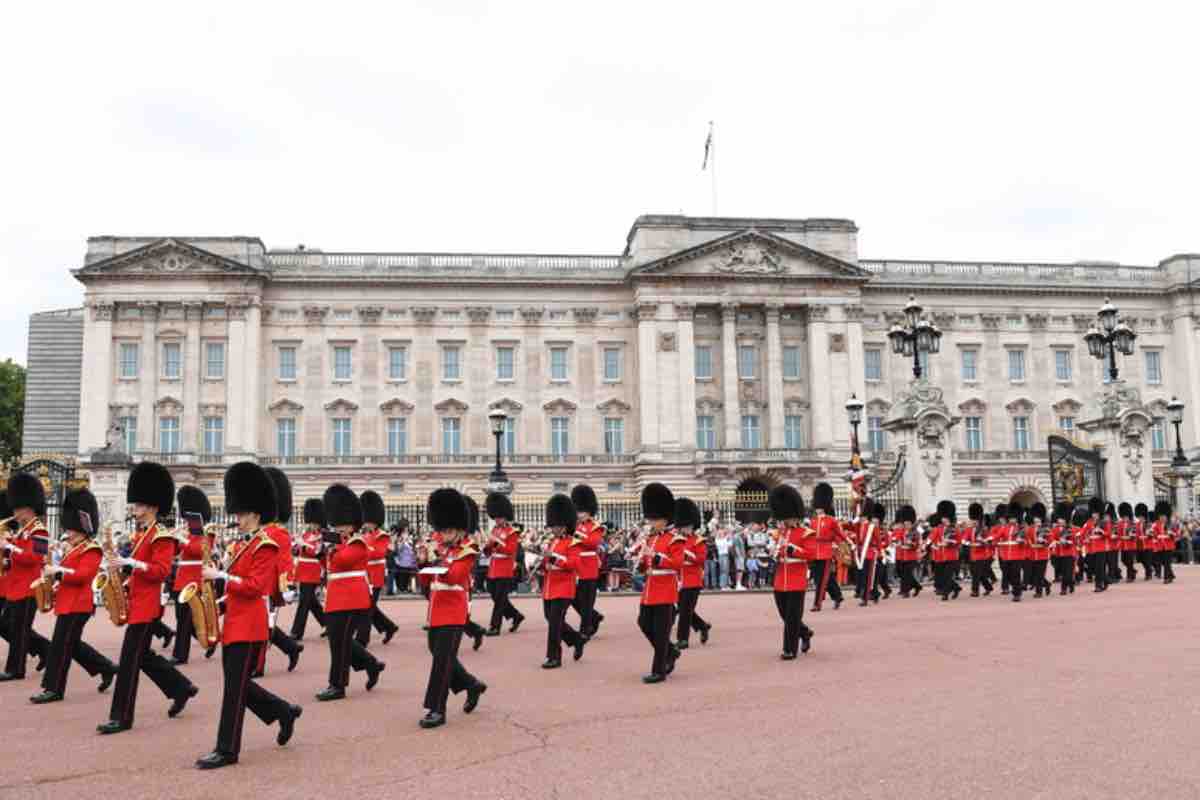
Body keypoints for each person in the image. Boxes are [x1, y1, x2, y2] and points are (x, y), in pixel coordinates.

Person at [194, 462, 301, 770]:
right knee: (236, 684)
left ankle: (227, 749)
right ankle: (283, 711)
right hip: (235, 620)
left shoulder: (265, 545)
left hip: (250, 624)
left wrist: (221, 577)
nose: (236, 519)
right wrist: (220, 602)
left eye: (240, 514)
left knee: (233, 690)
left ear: (255, 513)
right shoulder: (245, 544)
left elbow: (256, 588)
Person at [97, 461, 198, 734]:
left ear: (153, 506)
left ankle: (121, 716)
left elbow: (161, 571)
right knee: (143, 657)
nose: (135, 509)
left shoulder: (161, 537)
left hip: (147, 606)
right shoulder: (141, 535)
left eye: (139, 505)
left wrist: (130, 565)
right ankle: (181, 688)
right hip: (136, 602)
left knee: (129, 660)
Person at [29, 488, 117, 703]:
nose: (68, 533)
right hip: (68, 603)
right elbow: (69, 576)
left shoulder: (92, 549)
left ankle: (53, 689)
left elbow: (83, 576)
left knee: (60, 647)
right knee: (72, 644)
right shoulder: (74, 548)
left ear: (81, 528)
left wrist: (58, 571)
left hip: (79, 605)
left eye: (72, 529)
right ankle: (106, 667)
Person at [419, 488, 487, 729]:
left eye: (448, 530)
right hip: (437, 610)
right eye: (442, 530)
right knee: (438, 653)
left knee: (442, 662)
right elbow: (427, 582)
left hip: (455, 611)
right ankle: (471, 685)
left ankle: (437, 709)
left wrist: (438, 559)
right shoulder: (443, 548)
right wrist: (424, 562)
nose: (444, 534)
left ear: (459, 529)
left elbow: (455, 576)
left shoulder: (467, 551)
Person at [315, 484, 385, 702]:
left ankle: (337, 685)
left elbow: (343, 560)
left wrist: (330, 549)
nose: (338, 528)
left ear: (351, 525)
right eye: (336, 524)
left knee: (339, 644)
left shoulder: (357, 542)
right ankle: (371, 664)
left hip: (352, 599)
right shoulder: (340, 542)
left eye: (341, 525)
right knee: (340, 640)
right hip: (336, 598)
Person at [0, 473, 53, 682]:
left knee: (20, 631)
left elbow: (35, 558)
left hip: (29, 587)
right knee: (9, 626)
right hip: (16, 587)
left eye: (17, 509)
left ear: (27, 508)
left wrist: (10, 547)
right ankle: (45, 650)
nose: (14, 513)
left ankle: (15, 669)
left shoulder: (39, 531)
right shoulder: (23, 531)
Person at [635, 483, 684, 684]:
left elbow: (677, 563)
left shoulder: (675, 540)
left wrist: (654, 557)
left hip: (665, 588)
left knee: (662, 630)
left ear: (665, 519)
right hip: (650, 588)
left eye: (655, 519)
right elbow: (647, 563)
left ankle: (659, 670)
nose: (652, 522)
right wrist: (640, 563)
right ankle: (670, 651)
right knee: (644, 623)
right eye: (651, 518)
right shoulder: (651, 538)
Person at [258, 467, 305, 674]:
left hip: (270, 585)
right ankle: (291, 648)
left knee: (262, 626)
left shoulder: (279, 532)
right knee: (261, 624)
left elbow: (285, 561)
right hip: (255, 582)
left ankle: (257, 666)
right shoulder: (259, 530)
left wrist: (286, 587)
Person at [539, 494, 586, 669]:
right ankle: (577, 639)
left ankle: (554, 657)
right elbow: (548, 563)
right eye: (553, 526)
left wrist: (555, 559)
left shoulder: (573, 543)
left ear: (564, 526)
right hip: (550, 586)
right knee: (549, 618)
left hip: (564, 587)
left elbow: (574, 564)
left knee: (554, 624)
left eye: (556, 526)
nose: (554, 529)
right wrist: (544, 561)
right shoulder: (552, 541)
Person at [768, 485, 813, 659]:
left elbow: (810, 555)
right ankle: (804, 632)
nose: (787, 521)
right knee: (784, 615)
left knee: (792, 616)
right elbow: (778, 553)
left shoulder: (806, 533)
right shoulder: (779, 533)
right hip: (780, 579)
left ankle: (789, 650)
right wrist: (774, 552)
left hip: (796, 579)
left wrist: (792, 551)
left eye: (789, 517)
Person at [356, 490, 399, 647]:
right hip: (365, 574)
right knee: (369, 607)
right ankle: (389, 627)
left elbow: (379, 553)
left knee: (366, 609)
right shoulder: (365, 535)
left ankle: (362, 639)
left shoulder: (382, 535)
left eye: (367, 520)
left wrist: (364, 548)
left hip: (376, 575)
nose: (365, 523)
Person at [483, 492, 525, 636]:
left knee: (499, 600)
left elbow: (510, 550)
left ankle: (495, 626)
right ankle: (516, 615)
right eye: (495, 517)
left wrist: (496, 545)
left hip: (505, 568)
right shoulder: (495, 529)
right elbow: (490, 550)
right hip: (493, 567)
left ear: (505, 516)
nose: (497, 520)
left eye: (499, 517)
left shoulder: (512, 532)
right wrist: (487, 548)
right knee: (495, 596)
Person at [674, 497, 711, 650]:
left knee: (684, 611)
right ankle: (702, 626)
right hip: (679, 580)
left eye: (687, 526)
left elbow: (701, 559)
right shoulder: (676, 540)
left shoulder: (698, 541)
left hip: (693, 580)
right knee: (684, 609)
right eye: (683, 526)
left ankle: (683, 640)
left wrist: (687, 554)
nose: (685, 529)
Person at [569, 484, 606, 637]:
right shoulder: (575, 525)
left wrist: (578, 537)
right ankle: (594, 617)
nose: (579, 514)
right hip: (576, 566)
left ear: (589, 511)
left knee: (587, 600)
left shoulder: (595, 526)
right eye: (578, 511)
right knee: (572, 598)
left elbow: (594, 543)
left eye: (581, 511)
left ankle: (585, 629)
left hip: (589, 566)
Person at [290, 499, 327, 640]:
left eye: (313, 522)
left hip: (313, 571)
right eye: (310, 522)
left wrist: (304, 545)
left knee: (304, 602)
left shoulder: (322, 535)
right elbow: (297, 551)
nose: (311, 525)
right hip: (302, 570)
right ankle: (327, 623)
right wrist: (296, 545)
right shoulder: (306, 534)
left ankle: (296, 632)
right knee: (310, 601)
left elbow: (318, 552)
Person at [807, 484, 846, 611]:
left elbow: (840, 534)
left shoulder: (831, 520)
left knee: (822, 579)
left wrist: (848, 542)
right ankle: (837, 595)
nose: (818, 509)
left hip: (826, 551)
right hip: (815, 552)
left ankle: (817, 604)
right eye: (817, 507)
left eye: (820, 506)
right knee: (823, 578)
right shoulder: (812, 521)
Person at [1025, 504, 1052, 598]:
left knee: (1039, 575)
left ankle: (1039, 592)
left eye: (1038, 518)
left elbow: (1050, 541)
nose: (1036, 520)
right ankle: (1047, 584)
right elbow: (1027, 539)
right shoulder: (1030, 529)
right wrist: (1029, 543)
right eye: (1035, 518)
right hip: (1033, 554)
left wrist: (1044, 541)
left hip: (1043, 555)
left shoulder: (1046, 529)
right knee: (1035, 575)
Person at [1153, 501, 1177, 583]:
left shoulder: (1171, 524)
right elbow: (1154, 533)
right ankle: (1171, 574)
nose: (1162, 518)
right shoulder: (1156, 524)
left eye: (1163, 516)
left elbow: (1176, 534)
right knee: (1163, 562)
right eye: (1160, 516)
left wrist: (1171, 534)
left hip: (1169, 546)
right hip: (1160, 546)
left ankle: (1166, 578)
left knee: (1167, 562)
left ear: (1167, 516)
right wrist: (1157, 536)